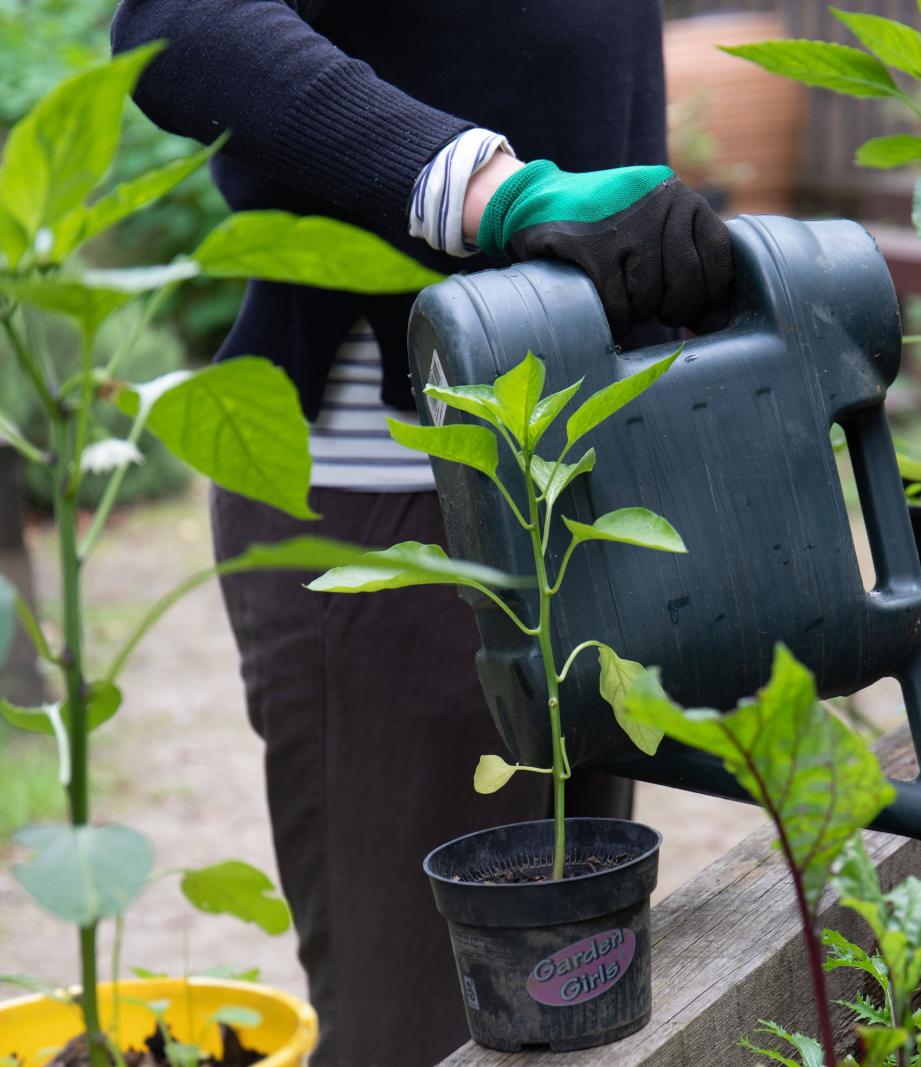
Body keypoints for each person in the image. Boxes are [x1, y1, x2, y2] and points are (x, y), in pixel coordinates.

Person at [107, 3, 732, 1064]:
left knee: (574, 1013)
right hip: (403, 508)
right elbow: (180, 19)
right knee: (420, 1023)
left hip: (566, 491)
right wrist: (498, 191)